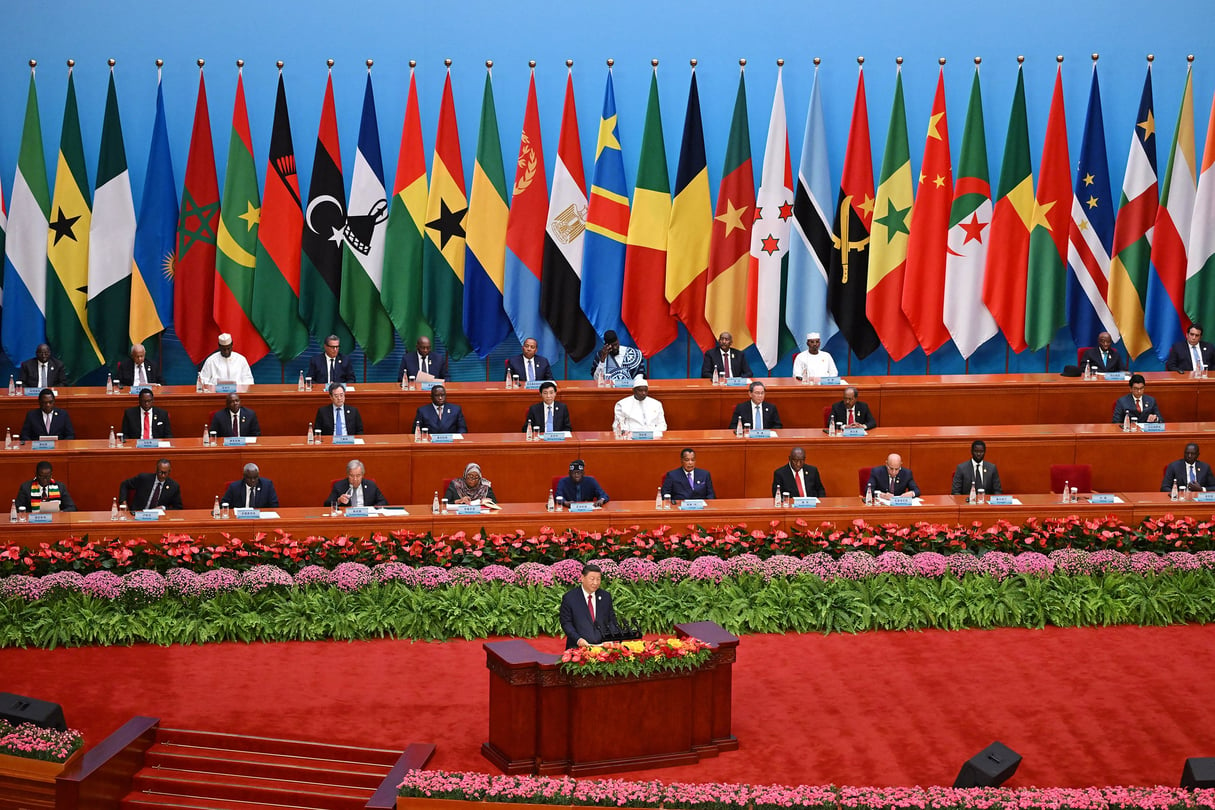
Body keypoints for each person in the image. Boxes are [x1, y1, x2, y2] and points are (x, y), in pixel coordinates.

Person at [559, 562, 617, 649]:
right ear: (582, 578)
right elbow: (566, 623)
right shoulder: (570, 598)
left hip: (603, 648)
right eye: (592, 579)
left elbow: (611, 620)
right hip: (578, 648)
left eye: (598, 579)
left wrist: (610, 638)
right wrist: (578, 639)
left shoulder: (605, 596)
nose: (595, 582)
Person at [324, 459, 389, 508]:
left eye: (358, 476)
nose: (355, 479)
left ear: (362, 475)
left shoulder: (371, 485)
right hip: (347, 520)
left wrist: (371, 509)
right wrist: (338, 501)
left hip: (366, 518)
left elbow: (383, 502)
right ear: (347, 475)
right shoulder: (339, 486)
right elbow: (326, 505)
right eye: (352, 476)